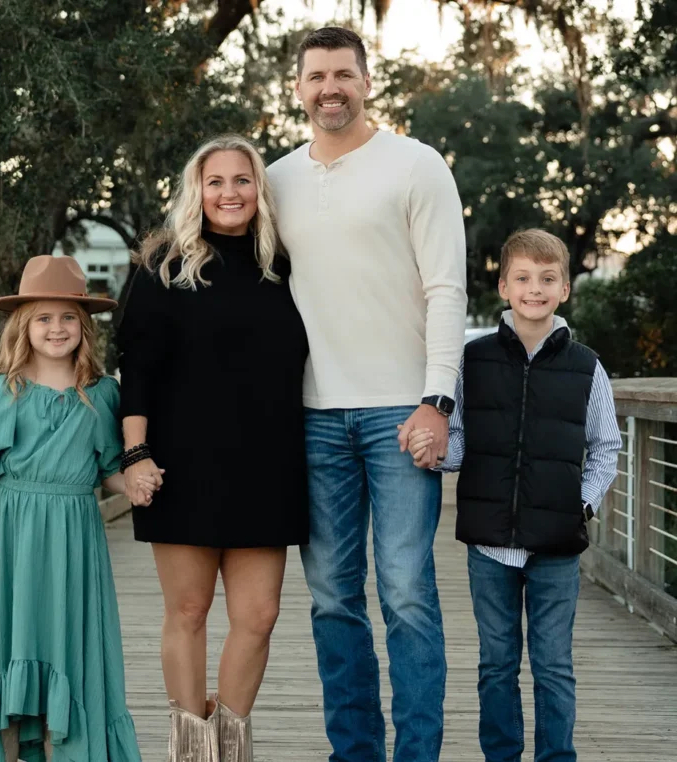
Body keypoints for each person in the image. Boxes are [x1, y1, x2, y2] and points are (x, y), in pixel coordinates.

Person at [266, 26, 468, 762]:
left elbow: (447, 289)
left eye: (343, 74)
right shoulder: (275, 180)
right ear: (297, 88)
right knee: (331, 597)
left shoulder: (416, 164)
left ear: (366, 81)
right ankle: (353, 753)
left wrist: (437, 401)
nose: (331, 89)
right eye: (317, 76)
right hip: (312, 415)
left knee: (407, 594)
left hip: (402, 412)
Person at [116, 134, 309, 761]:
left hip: (268, 464)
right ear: (196, 191)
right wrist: (135, 455)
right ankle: (191, 752)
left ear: (260, 190)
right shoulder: (163, 266)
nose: (230, 193)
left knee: (259, 615)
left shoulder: (286, 264)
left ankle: (229, 746)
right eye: (216, 181)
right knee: (189, 609)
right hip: (183, 463)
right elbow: (137, 368)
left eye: (242, 180)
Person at [409, 229, 623, 762]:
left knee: (553, 666)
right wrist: (437, 453)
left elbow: (606, 447)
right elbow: (459, 438)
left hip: (556, 545)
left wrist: (582, 505)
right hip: (490, 546)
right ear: (504, 286)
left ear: (565, 289)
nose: (535, 289)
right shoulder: (472, 360)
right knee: (496, 664)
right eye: (523, 278)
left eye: (547, 279)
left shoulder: (587, 366)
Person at [0, 256, 141, 762]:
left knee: (67, 654)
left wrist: (136, 484)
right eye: (43, 318)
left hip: (74, 544)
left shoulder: (102, 393)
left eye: (68, 317)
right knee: (3, 659)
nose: (56, 328)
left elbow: (106, 470)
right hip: (12, 541)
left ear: (84, 326)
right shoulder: (4, 390)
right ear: (23, 326)